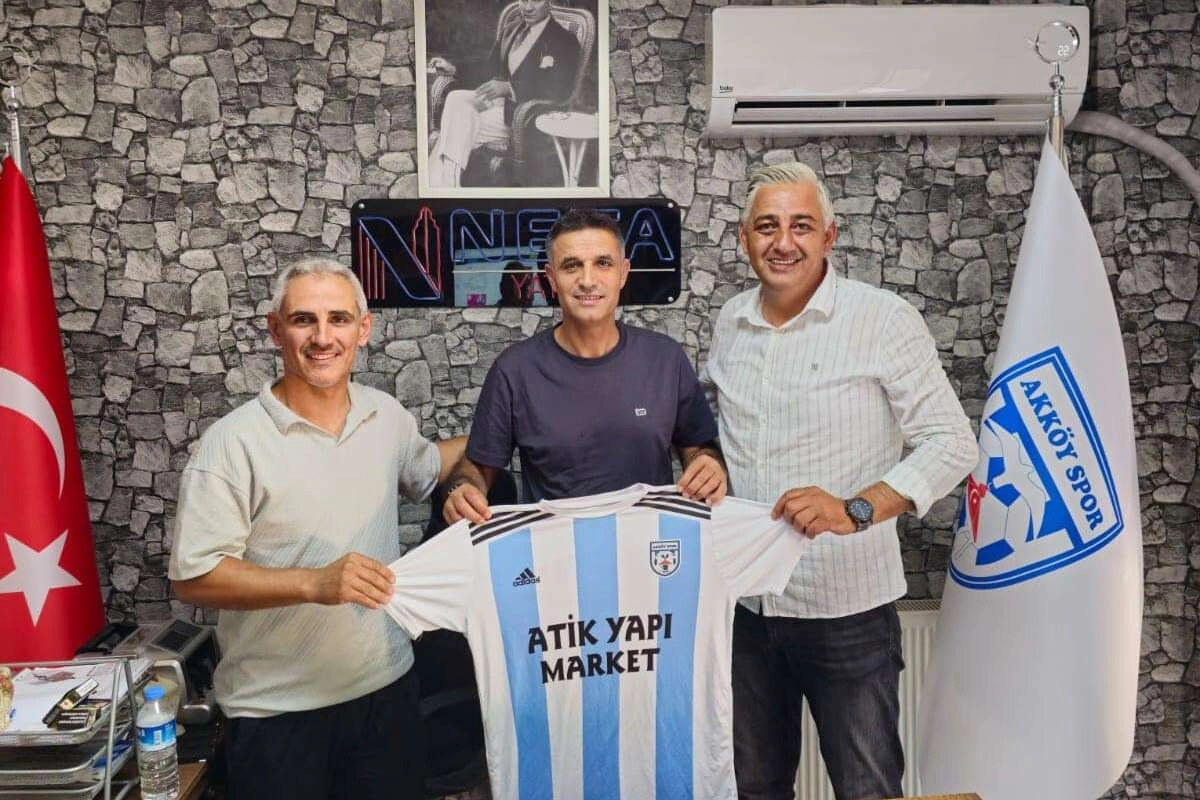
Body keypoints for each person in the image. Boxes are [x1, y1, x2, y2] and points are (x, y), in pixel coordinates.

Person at [704, 163, 978, 800]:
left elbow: (952, 441)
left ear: (829, 235)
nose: (783, 242)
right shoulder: (731, 321)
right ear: (743, 238)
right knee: (754, 788)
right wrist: (708, 460)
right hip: (748, 608)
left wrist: (855, 509)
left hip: (847, 611)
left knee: (866, 789)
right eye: (767, 227)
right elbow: (734, 435)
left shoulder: (883, 318)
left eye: (801, 226)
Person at [168, 258, 464, 800]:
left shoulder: (385, 416)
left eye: (339, 319)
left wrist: (501, 429)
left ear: (363, 329)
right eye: (304, 319)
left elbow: (429, 469)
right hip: (276, 716)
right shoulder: (232, 444)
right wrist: (314, 582)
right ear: (275, 329)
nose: (323, 337)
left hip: (387, 697)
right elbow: (193, 577)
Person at [443, 208, 727, 524]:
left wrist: (708, 465)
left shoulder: (665, 359)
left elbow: (699, 448)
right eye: (572, 266)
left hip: (649, 545)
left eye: (603, 263)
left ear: (623, 273)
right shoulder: (514, 370)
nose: (588, 281)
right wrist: (463, 488)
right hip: (556, 548)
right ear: (551, 278)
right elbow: (477, 467)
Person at [427, 0, 583, 187]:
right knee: (455, 99)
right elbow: (488, 67)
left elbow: (560, 88)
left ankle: (444, 187)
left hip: (524, 115)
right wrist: (453, 68)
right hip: (497, 104)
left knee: (455, 126)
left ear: (549, 2)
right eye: (524, 0)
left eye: (536, 1)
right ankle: (447, 186)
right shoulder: (511, 30)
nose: (528, 7)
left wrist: (511, 88)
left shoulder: (564, 40)